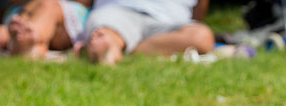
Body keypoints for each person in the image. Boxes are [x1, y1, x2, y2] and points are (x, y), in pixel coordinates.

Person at [82, 0, 213, 65]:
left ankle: (121, 47)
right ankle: (110, 46)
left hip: (169, 22)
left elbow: (199, 11)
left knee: (202, 37)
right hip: (119, 11)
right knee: (103, 37)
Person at [6, 0, 92, 58]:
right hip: (25, 9)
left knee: (47, 5)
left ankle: (25, 42)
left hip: (65, 11)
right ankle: (32, 48)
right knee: (15, 25)